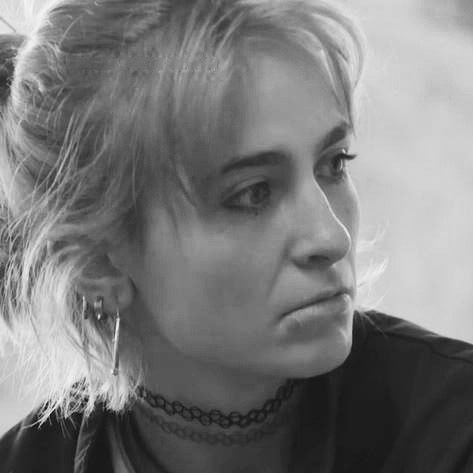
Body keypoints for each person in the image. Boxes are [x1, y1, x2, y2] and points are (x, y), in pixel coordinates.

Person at [0, 1, 472, 472]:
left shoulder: (453, 430)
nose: (333, 237)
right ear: (97, 264)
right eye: (253, 194)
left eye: (334, 164)